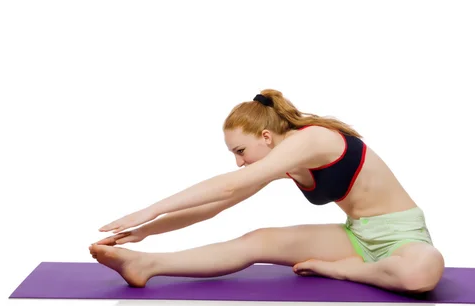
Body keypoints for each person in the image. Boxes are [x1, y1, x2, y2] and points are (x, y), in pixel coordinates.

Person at [90, 89, 445, 293]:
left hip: (402, 237)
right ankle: (148, 265)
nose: (239, 163)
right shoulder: (284, 161)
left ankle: (343, 270)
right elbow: (218, 203)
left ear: (265, 136)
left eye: (240, 152)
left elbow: (228, 184)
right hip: (355, 238)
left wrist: (148, 210)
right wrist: (142, 232)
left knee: (423, 272)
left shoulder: (313, 139)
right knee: (256, 239)